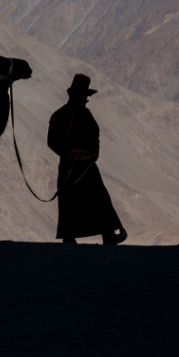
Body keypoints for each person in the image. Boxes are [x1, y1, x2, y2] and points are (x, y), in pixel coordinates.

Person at [47, 74, 127, 245]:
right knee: (69, 202)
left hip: (87, 166)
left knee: (100, 198)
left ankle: (109, 234)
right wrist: (70, 155)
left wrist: (94, 152)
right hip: (69, 166)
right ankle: (69, 237)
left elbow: (95, 134)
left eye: (86, 96)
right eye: (83, 96)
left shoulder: (87, 114)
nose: (85, 99)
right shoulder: (59, 116)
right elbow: (52, 141)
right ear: (74, 95)